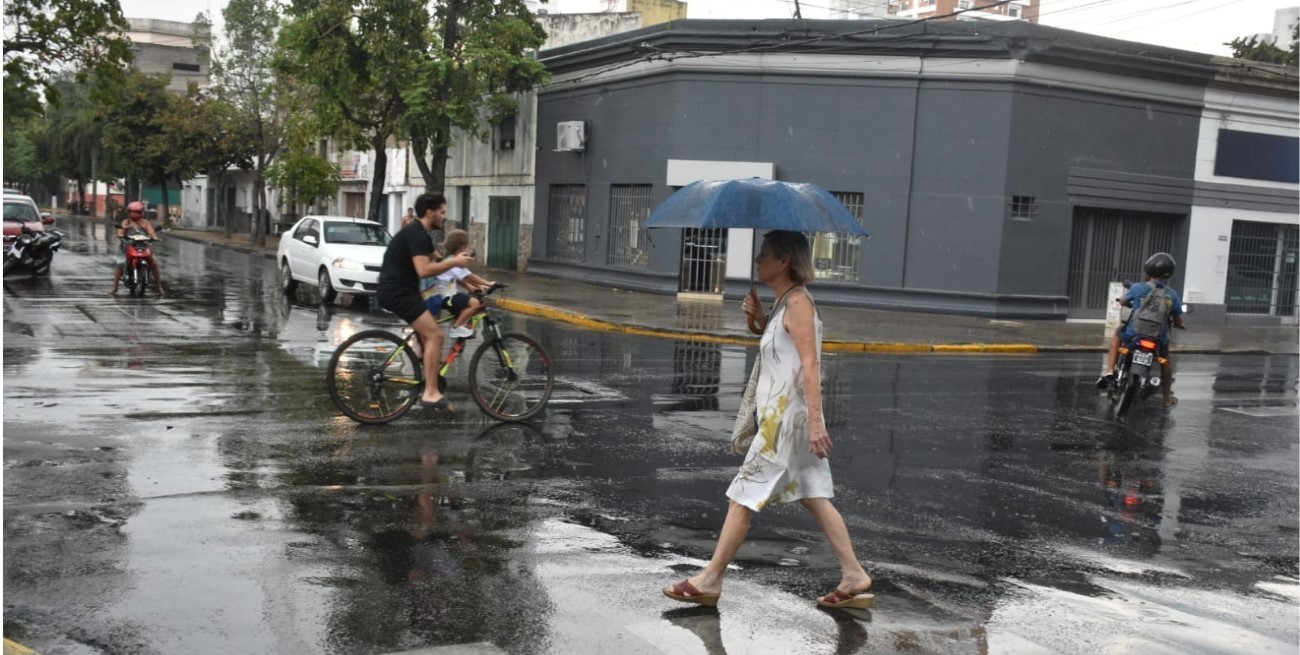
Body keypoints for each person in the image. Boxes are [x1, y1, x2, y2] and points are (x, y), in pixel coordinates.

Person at [662, 230, 874, 610]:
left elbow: (810, 364)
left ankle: (710, 578)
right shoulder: (785, 303)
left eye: (765, 255)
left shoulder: (798, 304)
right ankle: (853, 572)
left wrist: (815, 423)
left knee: (742, 497)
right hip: (787, 418)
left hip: (786, 423)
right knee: (813, 495)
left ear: (784, 262)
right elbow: (783, 350)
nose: (758, 261)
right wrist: (759, 320)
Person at [377, 193, 473, 412]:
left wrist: (467, 276)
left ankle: (428, 375)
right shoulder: (417, 234)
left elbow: (440, 260)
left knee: (428, 336)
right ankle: (430, 393)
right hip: (398, 292)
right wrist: (454, 262)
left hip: (405, 291)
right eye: (442, 212)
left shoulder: (422, 235)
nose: (444, 217)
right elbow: (424, 270)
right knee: (436, 335)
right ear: (430, 212)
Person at [1095, 252, 1184, 409]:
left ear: (1148, 270)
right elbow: (1177, 320)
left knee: (1117, 334)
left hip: (1134, 334)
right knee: (1166, 361)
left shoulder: (1138, 288)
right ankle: (1166, 399)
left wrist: (1123, 301)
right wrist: (1177, 324)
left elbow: (1123, 301)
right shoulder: (1172, 295)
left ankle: (1109, 371)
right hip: (1158, 339)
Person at [419, 229, 495, 340]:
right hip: (446, 297)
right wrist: (489, 283)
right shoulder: (455, 262)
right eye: (467, 247)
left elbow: (458, 279)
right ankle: (456, 328)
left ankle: (457, 333)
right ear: (463, 247)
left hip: (443, 295)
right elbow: (470, 277)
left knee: (462, 310)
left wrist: (473, 287)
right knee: (474, 303)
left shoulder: (449, 260)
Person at [109, 201, 164, 296]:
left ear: (141, 212)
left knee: (154, 264)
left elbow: (151, 233)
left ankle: (159, 287)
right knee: (120, 264)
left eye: (136, 212)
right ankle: (115, 287)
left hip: (144, 245)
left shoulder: (146, 222)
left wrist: (155, 238)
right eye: (131, 212)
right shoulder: (126, 222)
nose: (133, 214)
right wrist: (121, 235)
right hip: (128, 246)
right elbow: (120, 232)